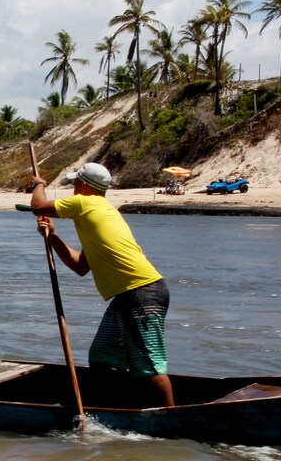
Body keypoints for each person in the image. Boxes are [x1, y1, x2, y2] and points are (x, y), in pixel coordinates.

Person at [29, 162, 175, 407]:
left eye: (75, 184)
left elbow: (37, 206)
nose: (73, 188)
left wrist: (39, 185)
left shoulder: (86, 203)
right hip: (127, 297)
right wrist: (52, 236)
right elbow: (80, 266)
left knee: (150, 365)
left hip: (140, 293)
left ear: (84, 186)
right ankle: (112, 406)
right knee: (101, 357)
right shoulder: (99, 213)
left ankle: (173, 419)